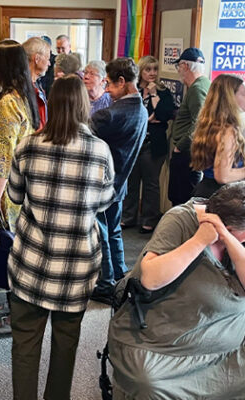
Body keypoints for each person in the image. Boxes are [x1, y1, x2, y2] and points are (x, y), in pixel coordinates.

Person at [8, 74, 115, 400]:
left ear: (50, 106)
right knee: (66, 344)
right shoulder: (99, 151)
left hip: (30, 264)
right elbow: (104, 201)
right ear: (85, 106)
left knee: (25, 344)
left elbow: (14, 195)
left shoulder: (28, 145)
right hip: (76, 267)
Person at [109, 182, 245, 399]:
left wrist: (228, 240)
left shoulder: (236, 236)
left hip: (227, 338)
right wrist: (200, 241)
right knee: (148, 383)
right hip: (166, 339)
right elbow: (151, 279)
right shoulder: (181, 219)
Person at [0, 43, 39, 334]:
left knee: (8, 250)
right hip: (18, 188)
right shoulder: (20, 96)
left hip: (6, 193)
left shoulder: (7, 105)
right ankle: (11, 303)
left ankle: (14, 315)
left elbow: (3, 158)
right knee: (13, 249)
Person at [91, 58, 148, 304]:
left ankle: (105, 285)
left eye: (110, 86)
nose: (107, 91)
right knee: (113, 232)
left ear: (122, 82)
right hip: (120, 183)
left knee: (101, 233)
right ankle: (120, 273)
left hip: (102, 184)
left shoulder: (109, 115)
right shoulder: (142, 110)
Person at [122, 56, 175, 233]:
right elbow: (129, 113)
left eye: (154, 69)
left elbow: (163, 115)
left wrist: (153, 95)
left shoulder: (163, 92)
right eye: (148, 70)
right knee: (131, 181)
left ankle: (149, 220)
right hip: (134, 142)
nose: (152, 73)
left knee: (151, 183)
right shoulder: (133, 90)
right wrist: (147, 119)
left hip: (153, 144)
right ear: (141, 71)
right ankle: (128, 216)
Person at [168, 47, 210, 206]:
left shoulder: (197, 89)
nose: (179, 71)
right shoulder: (205, 84)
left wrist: (180, 146)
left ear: (185, 66)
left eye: (179, 66)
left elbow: (199, 122)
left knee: (180, 197)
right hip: (192, 152)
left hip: (187, 153)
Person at [192, 74, 245, 198]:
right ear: (230, 98)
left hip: (207, 189)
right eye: (243, 94)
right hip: (221, 195)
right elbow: (223, 176)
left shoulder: (212, 124)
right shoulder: (228, 131)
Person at [22, 37, 50, 130]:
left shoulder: (37, 84)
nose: (49, 63)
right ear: (37, 59)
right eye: (48, 58)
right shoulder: (21, 88)